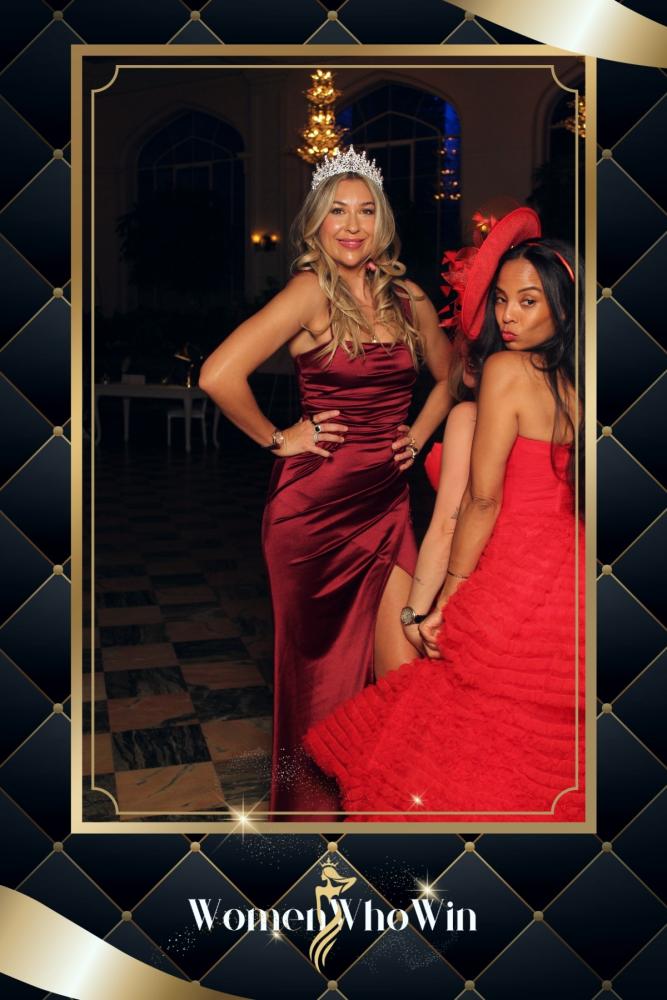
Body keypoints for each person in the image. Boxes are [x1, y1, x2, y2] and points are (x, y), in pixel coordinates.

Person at [304, 207, 586, 822]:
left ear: (563, 310)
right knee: (538, 739)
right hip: (571, 578)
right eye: (502, 301)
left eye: (528, 302)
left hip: (512, 575)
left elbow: (478, 503)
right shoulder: (581, 381)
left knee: (451, 731)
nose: (508, 316)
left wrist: (449, 601)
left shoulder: (509, 373)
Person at [199, 147, 452, 820]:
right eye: (337, 211)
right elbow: (218, 374)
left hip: (387, 504)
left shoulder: (407, 298)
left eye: (365, 211)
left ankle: (384, 806)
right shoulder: (309, 291)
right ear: (315, 223)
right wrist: (279, 437)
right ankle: (313, 818)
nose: (352, 225)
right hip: (311, 512)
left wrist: (420, 430)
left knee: (402, 667)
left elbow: (450, 376)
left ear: (383, 223)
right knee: (316, 672)